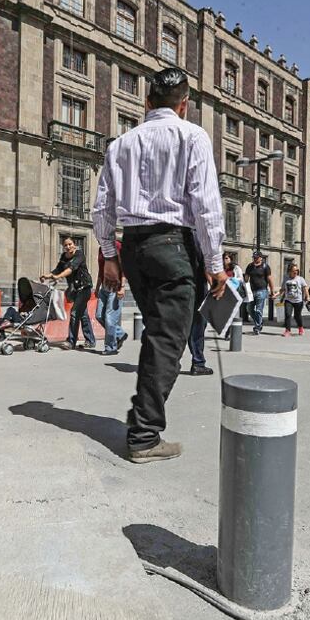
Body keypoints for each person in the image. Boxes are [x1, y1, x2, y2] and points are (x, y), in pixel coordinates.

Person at [92, 66, 227, 464]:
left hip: (133, 247)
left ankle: (142, 420)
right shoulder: (192, 136)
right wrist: (215, 262)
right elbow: (205, 204)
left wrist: (110, 256)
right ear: (184, 105)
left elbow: (102, 208)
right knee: (168, 341)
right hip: (173, 246)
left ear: (147, 102)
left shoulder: (120, 145)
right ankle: (144, 435)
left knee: (157, 334)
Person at [42, 237, 96, 351]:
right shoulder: (63, 257)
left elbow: (71, 268)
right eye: (65, 245)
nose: (68, 247)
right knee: (83, 315)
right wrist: (48, 275)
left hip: (84, 288)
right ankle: (90, 340)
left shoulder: (79, 255)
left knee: (74, 313)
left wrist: (59, 276)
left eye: (70, 244)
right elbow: (58, 269)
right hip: (74, 289)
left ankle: (71, 342)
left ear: (74, 245)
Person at [94, 243, 128, 356]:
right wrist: (97, 287)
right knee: (99, 315)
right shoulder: (101, 249)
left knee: (109, 319)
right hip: (104, 288)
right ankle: (119, 333)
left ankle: (111, 347)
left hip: (115, 288)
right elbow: (101, 270)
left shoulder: (117, 246)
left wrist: (122, 287)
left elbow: (124, 269)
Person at [244, 251, 273, 334]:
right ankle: (259, 322)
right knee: (249, 309)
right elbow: (246, 278)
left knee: (258, 310)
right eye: (254, 257)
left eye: (256, 257)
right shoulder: (250, 266)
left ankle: (257, 327)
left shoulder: (265, 267)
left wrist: (272, 291)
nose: (255, 259)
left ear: (261, 258)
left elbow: (270, 279)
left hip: (262, 290)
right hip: (251, 291)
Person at [278, 265, 309, 337]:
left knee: (297, 316)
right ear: (289, 271)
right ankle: (287, 330)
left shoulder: (300, 279)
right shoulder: (286, 278)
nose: (296, 272)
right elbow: (282, 289)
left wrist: (307, 296)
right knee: (288, 314)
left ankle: (300, 327)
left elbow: (305, 288)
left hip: (298, 301)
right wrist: (276, 295)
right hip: (288, 300)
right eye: (294, 270)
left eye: (297, 270)